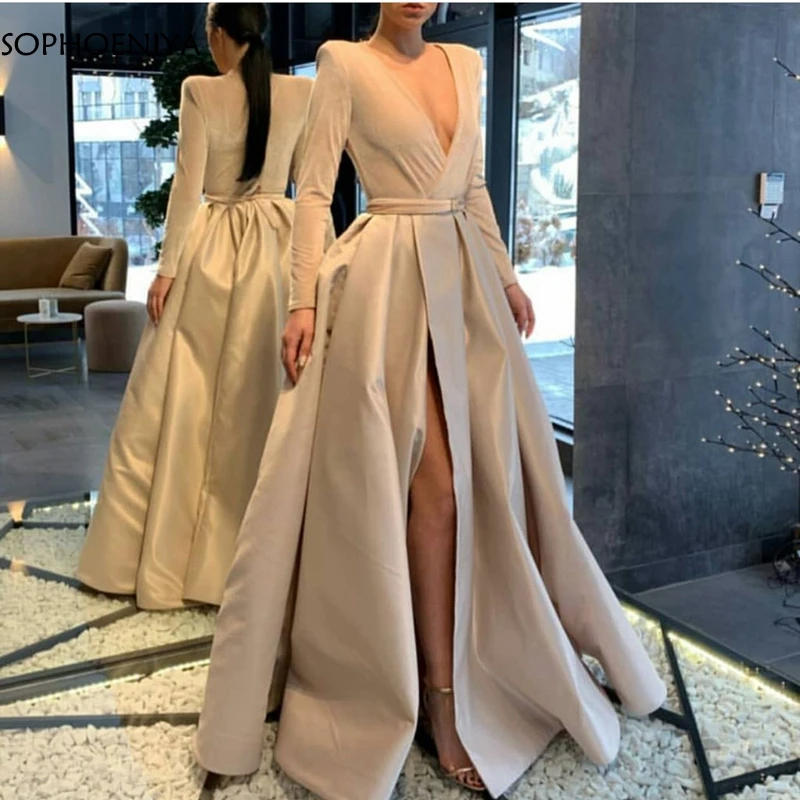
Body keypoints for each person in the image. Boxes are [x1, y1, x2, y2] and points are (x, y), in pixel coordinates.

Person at [195, 3, 667, 799]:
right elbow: (315, 191)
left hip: (464, 288)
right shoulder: (343, 63)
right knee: (435, 490)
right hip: (386, 289)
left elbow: (472, 186)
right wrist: (302, 300)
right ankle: (438, 699)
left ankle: (503, 652)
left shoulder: (467, 65)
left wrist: (507, 277)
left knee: (499, 483)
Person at [76, 3, 314, 610]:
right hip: (280, 245)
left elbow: (187, 186)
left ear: (216, 34)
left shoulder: (200, 91)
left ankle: (180, 551)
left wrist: (166, 270)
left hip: (214, 248)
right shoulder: (301, 93)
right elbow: (312, 186)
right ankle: (275, 552)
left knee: (188, 392)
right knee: (267, 392)